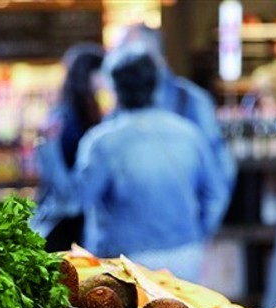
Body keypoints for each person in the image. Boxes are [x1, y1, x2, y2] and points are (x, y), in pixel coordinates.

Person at [73, 45, 230, 282]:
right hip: (185, 256)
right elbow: (216, 193)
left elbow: (79, 199)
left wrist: (48, 153)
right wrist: (197, 235)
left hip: (123, 262)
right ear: (157, 84)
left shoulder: (101, 142)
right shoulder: (189, 133)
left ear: (114, 89)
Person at [115, 23, 236, 187]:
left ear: (156, 57)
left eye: (127, 53)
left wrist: (200, 212)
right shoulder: (121, 104)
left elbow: (220, 167)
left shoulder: (192, 100)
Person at [30, 43, 107, 251]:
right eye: (102, 72)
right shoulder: (66, 117)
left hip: (73, 215)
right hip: (66, 215)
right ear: (90, 74)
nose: (106, 80)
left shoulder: (79, 112)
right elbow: (56, 175)